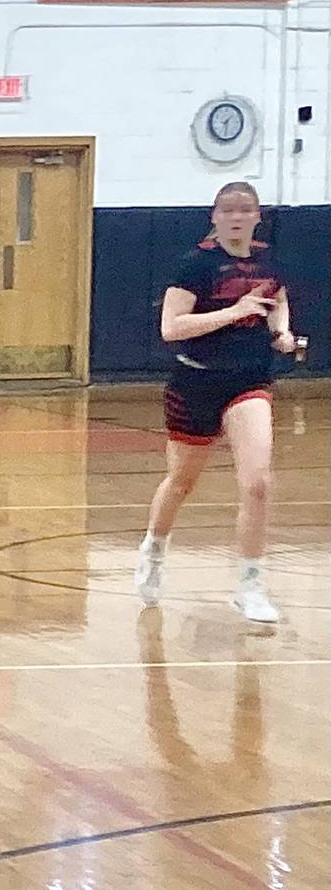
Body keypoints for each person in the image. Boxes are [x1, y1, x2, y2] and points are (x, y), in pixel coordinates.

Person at [135, 182, 298, 622]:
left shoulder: (268, 260)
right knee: (181, 482)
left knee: (258, 482)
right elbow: (172, 328)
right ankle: (154, 548)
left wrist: (281, 331)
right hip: (196, 382)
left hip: (249, 382)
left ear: (257, 215)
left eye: (245, 209)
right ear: (215, 216)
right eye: (228, 210)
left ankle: (250, 585)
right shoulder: (194, 265)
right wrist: (234, 311)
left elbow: (277, 300)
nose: (237, 216)